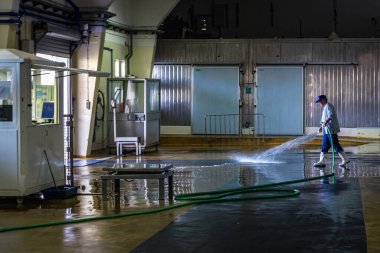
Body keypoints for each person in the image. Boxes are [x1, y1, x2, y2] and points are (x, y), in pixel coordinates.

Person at [313, 95, 350, 167]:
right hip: (326, 130)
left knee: (335, 144)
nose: (319, 103)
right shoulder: (325, 107)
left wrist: (326, 122)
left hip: (331, 130)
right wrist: (321, 127)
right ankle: (321, 161)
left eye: (320, 101)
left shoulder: (328, 106)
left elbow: (331, 115)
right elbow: (324, 119)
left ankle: (345, 159)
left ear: (324, 100)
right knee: (324, 146)